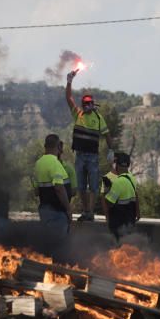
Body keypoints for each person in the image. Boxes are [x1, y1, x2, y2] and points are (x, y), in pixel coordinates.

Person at [65, 69, 115, 222]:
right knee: (81, 186)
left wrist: (111, 150)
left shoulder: (99, 118)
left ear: (93, 104)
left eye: (89, 103)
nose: (87, 105)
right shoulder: (78, 114)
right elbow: (68, 98)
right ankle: (86, 211)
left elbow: (107, 135)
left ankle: (90, 212)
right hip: (80, 155)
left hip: (93, 157)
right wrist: (69, 81)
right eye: (85, 103)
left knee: (93, 186)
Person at [34, 134, 72, 235]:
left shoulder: (38, 163)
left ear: (45, 146)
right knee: (59, 245)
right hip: (57, 213)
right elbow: (59, 188)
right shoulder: (54, 163)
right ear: (58, 146)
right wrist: (68, 209)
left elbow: (36, 192)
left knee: (49, 243)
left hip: (44, 211)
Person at [102, 153, 139, 241]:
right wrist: (138, 212)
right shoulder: (132, 178)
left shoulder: (118, 183)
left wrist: (108, 190)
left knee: (118, 247)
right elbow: (134, 195)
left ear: (117, 165)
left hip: (118, 223)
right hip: (130, 219)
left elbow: (109, 203)